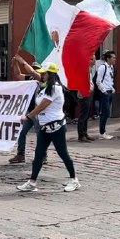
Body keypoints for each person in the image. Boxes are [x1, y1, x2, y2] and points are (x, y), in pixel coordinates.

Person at [16, 62, 80, 192]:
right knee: (38, 154)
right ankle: (32, 182)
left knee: (63, 154)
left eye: (44, 73)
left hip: (56, 126)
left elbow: (42, 106)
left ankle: (74, 180)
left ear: (51, 75)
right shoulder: (45, 88)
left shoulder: (55, 88)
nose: (42, 75)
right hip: (45, 127)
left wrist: (28, 117)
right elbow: (38, 103)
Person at [8, 56, 45, 164]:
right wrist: (15, 63)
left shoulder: (42, 79)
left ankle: (43, 156)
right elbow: (18, 75)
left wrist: (23, 61)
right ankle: (20, 154)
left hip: (38, 112)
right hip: (29, 112)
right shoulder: (31, 79)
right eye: (34, 67)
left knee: (40, 135)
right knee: (21, 132)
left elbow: (32, 72)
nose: (34, 70)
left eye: (37, 68)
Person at [95, 50, 117, 140]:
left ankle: (103, 131)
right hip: (105, 93)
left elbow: (109, 79)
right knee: (105, 112)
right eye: (113, 58)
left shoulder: (111, 68)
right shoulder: (102, 67)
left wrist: (112, 88)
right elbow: (98, 81)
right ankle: (102, 132)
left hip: (109, 91)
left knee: (107, 112)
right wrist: (104, 91)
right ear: (108, 59)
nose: (115, 59)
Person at [76, 55, 97, 142]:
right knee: (83, 115)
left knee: (87, 114)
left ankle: (85, 133)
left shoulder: (90, 69)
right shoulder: (84, 69)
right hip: (84, 93)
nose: (94, 61)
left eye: (94, 59)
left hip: (89, 92)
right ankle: (81, 135)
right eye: (92, 59)